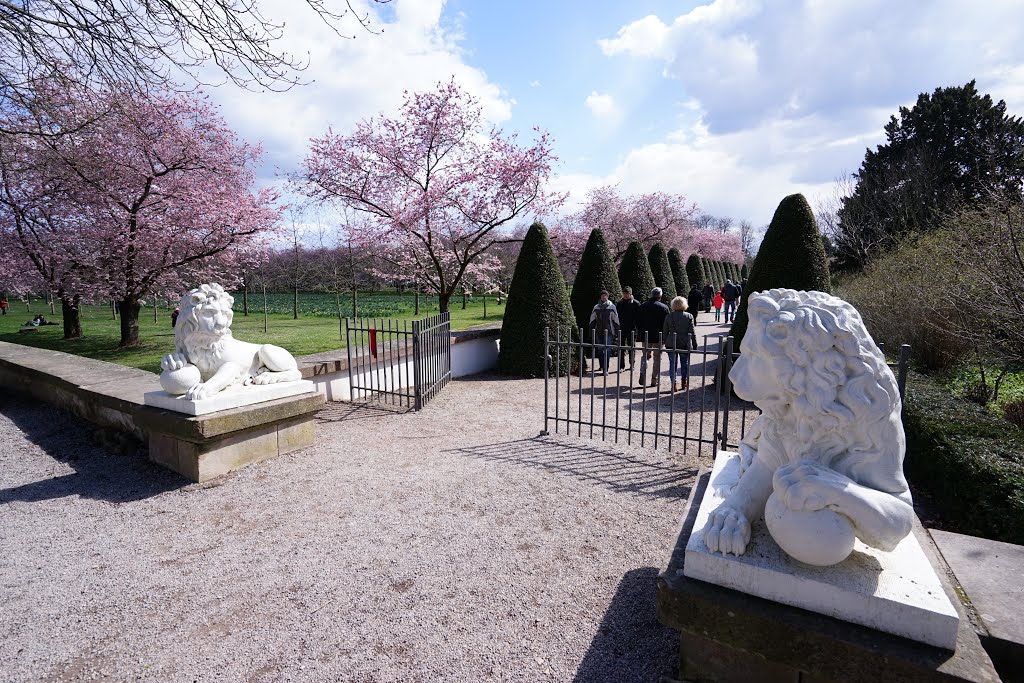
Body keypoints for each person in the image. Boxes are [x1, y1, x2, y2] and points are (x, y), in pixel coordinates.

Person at [663, 296, 698, 392]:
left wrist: (664, 342)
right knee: (684, 363)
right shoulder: (689, 316)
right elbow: (692, 332)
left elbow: (665, 332)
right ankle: (684, 382)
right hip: (684, 342)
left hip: (671, 342)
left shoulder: (668, 316)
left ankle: (673, 384)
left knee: (672, 364)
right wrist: (694, 343)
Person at [636, 287, 670, 387]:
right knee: (657, 358)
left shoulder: (643, 306)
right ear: (660, 295)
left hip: (646, 335)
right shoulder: (664, 307)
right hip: (658, 336)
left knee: (645, 356)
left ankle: (642, 371)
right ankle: (654, 380)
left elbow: (638, 321)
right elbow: (666, 324)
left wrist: (641, 332)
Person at [588, 289, 620, 375]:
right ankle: (602, 366)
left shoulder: (612, 307)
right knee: (599, 350)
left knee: (607, 350)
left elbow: (616, 319)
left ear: (607, 297)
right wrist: (591, 330)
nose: (604, 297)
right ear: (600, 297)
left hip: (609, 332)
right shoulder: (596, 307)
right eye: (602, 295)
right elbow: (592, 320)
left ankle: (606, 369)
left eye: (605, 295)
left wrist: (617, 330)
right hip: (599, 331)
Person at [615, 286, 641, 369]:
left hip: (632, 329)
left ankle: (632, 364)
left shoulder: (636, 304)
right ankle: (621, 366)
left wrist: (637, 328)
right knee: (621, 348)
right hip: (622, 329)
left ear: (631, 294)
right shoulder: (619, 304)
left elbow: (639, 317)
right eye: (624, 293)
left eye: (627, 293)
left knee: (631, 348)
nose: (626, 295)